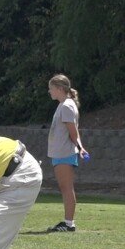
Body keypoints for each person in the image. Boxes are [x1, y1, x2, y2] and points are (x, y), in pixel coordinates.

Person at [46, 74, 88, 232]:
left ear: (59, 89)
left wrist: (80, 148)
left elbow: (73, 132)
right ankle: (68, 222)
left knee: (67, 188)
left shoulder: (66, 106)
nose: (49, 91)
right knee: (65, 188)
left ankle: (69, 223)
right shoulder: (63, 105)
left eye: (51, 88)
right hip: (60, 153)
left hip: (64, 153)